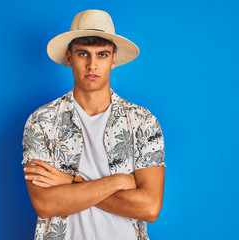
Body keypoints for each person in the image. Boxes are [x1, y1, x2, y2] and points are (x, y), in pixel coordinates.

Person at [21, 9, 166, 240]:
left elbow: (149, 208)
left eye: (102, 55)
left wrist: (72, 181)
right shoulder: (41, 121)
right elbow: (45, 204)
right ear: (69, 58)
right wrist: (119, 181)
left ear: (114, 59)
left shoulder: (143, 122)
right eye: (82, 54)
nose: (92, 65)